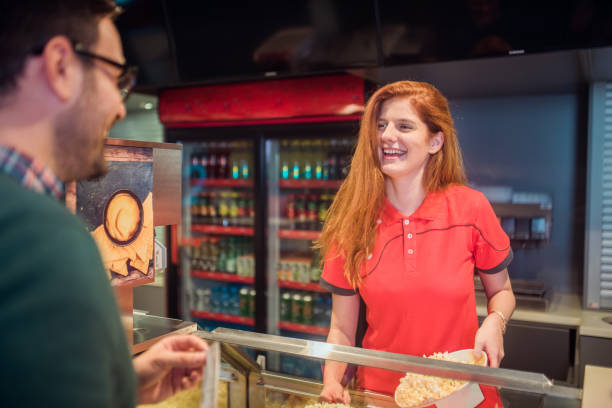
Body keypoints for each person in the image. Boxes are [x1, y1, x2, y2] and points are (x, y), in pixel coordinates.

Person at [0, 1, 208, 406]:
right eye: (115, 78)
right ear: (60, 65)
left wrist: (124, 381)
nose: (118, 105)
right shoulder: (44, 238)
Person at [316, 80, 516, 407]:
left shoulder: (471, 208)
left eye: (404, 126)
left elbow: (503, 292)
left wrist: (496, 322)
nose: (386, 136)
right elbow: (340, 330)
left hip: (462, 396)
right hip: (383, 397)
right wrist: (332, 381)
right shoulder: (351, 224)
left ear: (435, 141)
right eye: (381, 126)